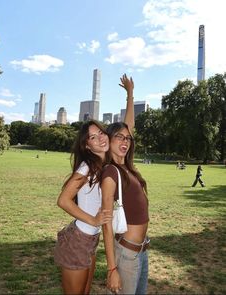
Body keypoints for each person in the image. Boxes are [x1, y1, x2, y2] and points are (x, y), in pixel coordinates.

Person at [54, 73, 135, 295]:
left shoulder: (106, 161)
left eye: (100, 132)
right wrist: (94, 219)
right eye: (92, 137)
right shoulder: (87, 167)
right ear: (87, 146)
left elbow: (127, 128)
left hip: (90, 239)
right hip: (79, 239)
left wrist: (130, 95)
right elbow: (63, 200)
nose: (99, 137)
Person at [101, 82, 150, 294]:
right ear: (108, 141)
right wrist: (112, 268)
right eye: (119, 137)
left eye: (127, 138)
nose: (125, 140)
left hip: (142, 251)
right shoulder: (111, 172)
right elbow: (106, 224)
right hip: (127, 255)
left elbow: (129, 126)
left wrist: (130, 94)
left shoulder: (127, 167)